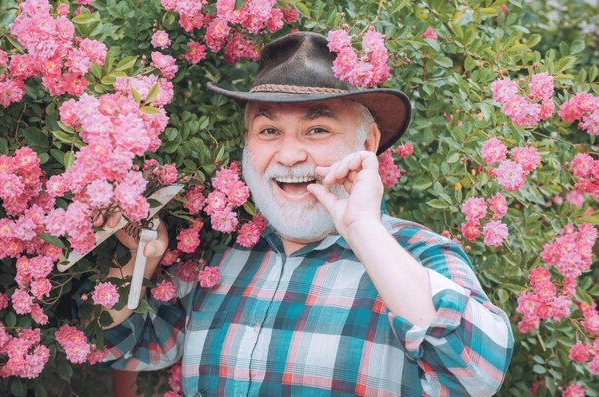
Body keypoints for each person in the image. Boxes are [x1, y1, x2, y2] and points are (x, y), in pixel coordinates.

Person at [98, 32, 514, 396]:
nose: (291, 154)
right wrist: (141, 260)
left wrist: (363, 229)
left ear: (366, 143)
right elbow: (123, 347)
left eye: (317, 130)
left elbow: (479, 373)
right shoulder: (219, 254)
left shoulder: (420, 256)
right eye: (269, 131)